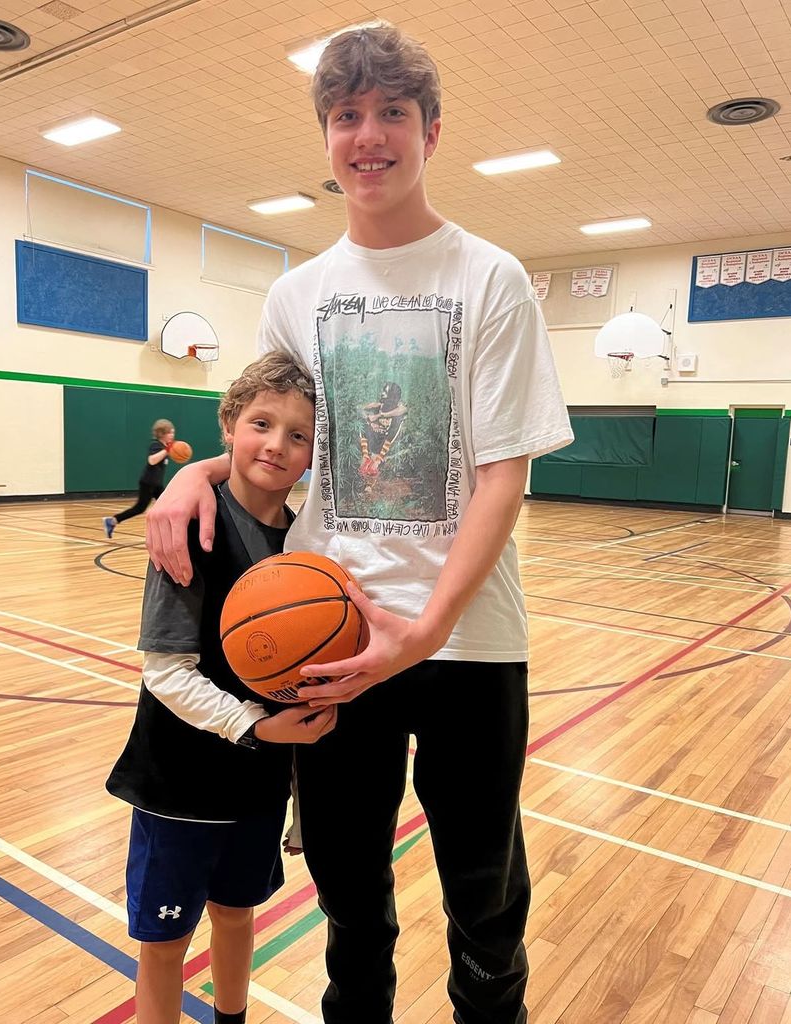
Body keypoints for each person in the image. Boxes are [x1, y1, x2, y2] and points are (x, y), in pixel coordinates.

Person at [145, 23, 573, 1024]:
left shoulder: (492, 277)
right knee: (348, 899)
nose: (367, 135)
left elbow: (502, 478)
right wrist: (189, 476)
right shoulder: (298, 294)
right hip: (326, 631)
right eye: (346, 116)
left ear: (431, 130)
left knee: (483, 896)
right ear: (326, 135)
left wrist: (422, 630)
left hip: (465, 640)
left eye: (391, 113)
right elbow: (273, 440)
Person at [106, 353, 335, 1024]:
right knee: (165, 941)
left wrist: (290, 779)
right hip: (178, 783)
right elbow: (166, 672)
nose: (277, 444)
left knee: (236, 915)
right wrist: (253, 727)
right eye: (262, 422)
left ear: (313, 454)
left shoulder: (305, 545)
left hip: (256, 784)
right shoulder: (189, 528)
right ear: (229, 424)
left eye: (299, 435)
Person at [102, 419, 176, 539]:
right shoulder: (156, 445)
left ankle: (166, 532)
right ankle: (112, 521)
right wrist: (167, 450)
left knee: (169, 506)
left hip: (157, 485)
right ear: (162, 433)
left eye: (173, 433)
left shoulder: (163, 447)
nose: (172, 435)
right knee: (139, 508)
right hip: (147, 483)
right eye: (170, 433)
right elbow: (152, 460)